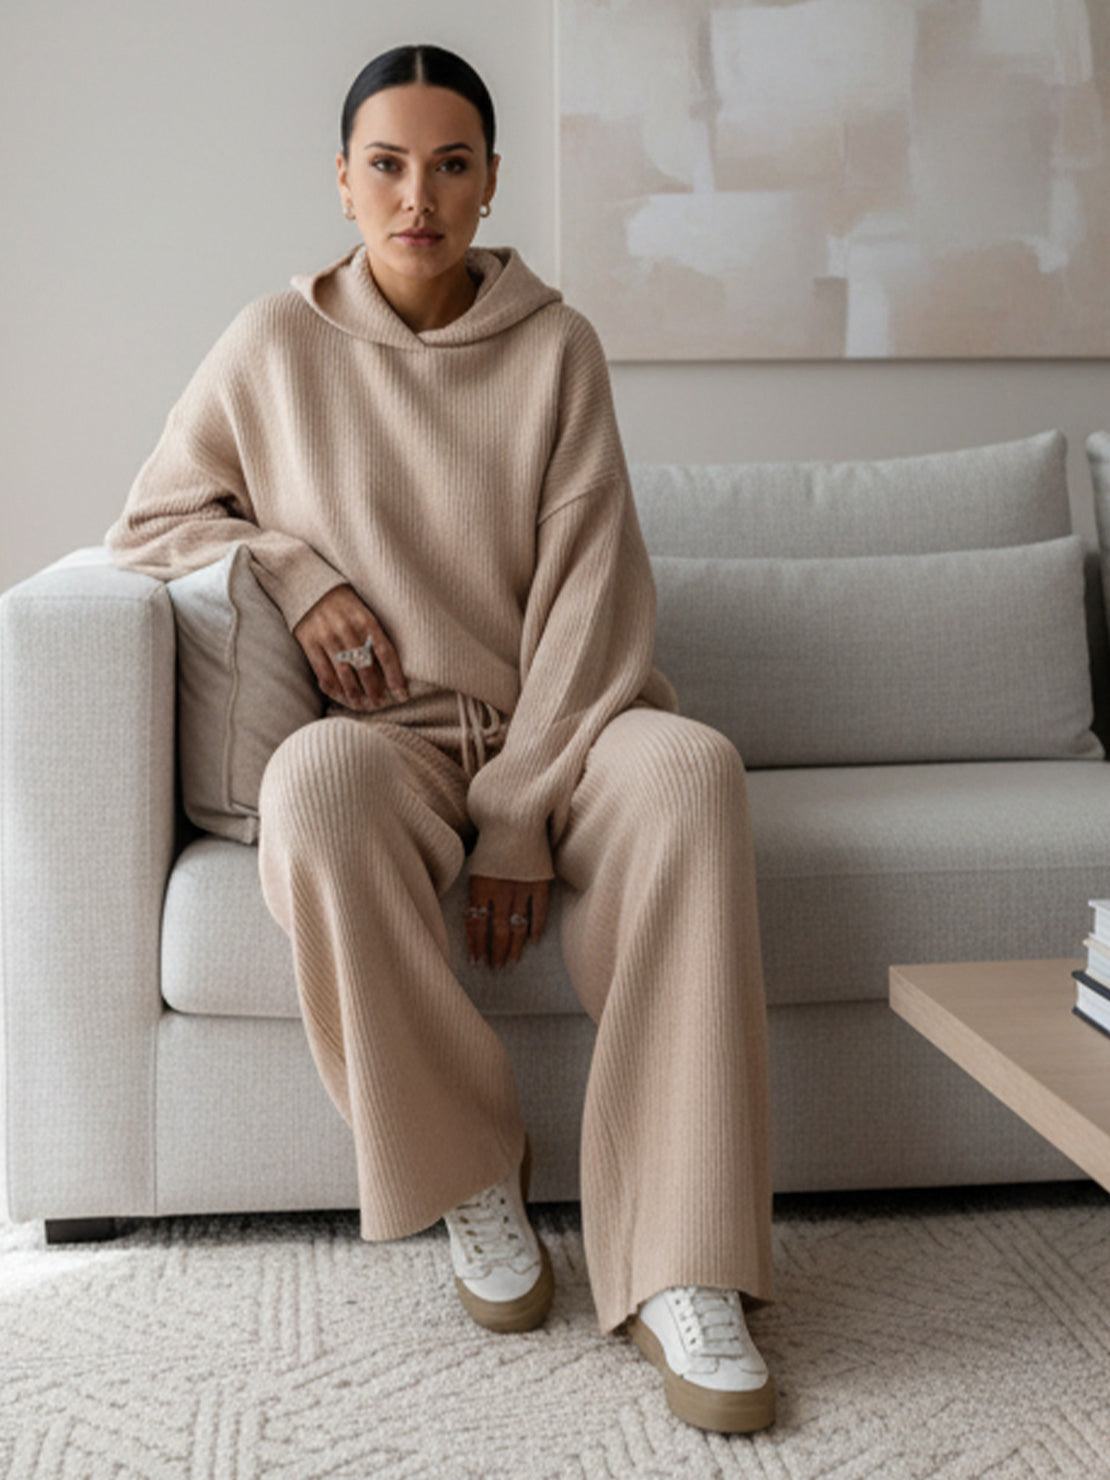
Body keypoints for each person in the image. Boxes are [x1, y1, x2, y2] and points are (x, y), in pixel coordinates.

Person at [103, 42, 777, 1437]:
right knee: (315, 788)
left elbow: (595, 601)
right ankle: (469, 1169)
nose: (419, 194)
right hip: (391, 740)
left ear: (488, 185)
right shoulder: (271, 342)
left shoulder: (556, 347)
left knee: (694, 770)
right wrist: (296, 568)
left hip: (571, 721)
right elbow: (151, 523)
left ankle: (680, 1262)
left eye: (451, 163)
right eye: (389, 165)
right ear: (342, 183)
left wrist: (523, 808)